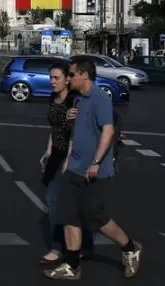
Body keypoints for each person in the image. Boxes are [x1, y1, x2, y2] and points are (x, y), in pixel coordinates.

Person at [44, 57, 142, 281]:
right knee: (69, 216)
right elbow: (78, 132)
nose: (68, 79)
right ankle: (71, 265)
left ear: (84, 75)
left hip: (93, 170)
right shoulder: (78, 100)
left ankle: (129, 247)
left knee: (95, 218)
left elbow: (107, 132)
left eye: (71, 75)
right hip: (74, 167)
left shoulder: (99, 98)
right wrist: (69, 129)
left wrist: (96, 162)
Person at [39, 61, 94, 266]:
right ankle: (85, 246)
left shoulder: (74, 102)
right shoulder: (54, 99)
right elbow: (53, 128)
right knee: (60, 202)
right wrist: (48, 150)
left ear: (66, 80)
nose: (52, 82)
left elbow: (74, 134)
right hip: (56, 155)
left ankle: (57, 248)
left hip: (70, 157)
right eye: (51, 77)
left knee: (59, 202)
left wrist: (68, 160)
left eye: (56, 78)